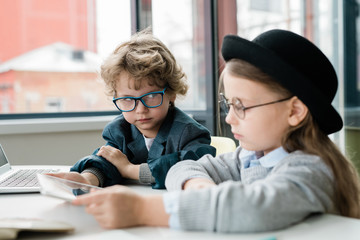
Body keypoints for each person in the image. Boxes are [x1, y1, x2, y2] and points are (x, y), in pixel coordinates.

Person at [71, 29, 360, 232]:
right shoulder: (248, 156)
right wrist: (200, 189)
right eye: (228, 105)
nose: (230, 119)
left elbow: (251, 208)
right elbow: (185, 167)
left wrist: (141, 211)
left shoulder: (310, 171)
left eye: (242, 106)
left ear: (295, 111)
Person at [52, 29, 216, 189]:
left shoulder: (189, 133)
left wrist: (130, 170)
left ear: (171, 93)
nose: (140, 109)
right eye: (128, 99)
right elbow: (106, 163)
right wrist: (87, 179)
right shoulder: (119, 130)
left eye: (151, 96)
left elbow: (190, 168)